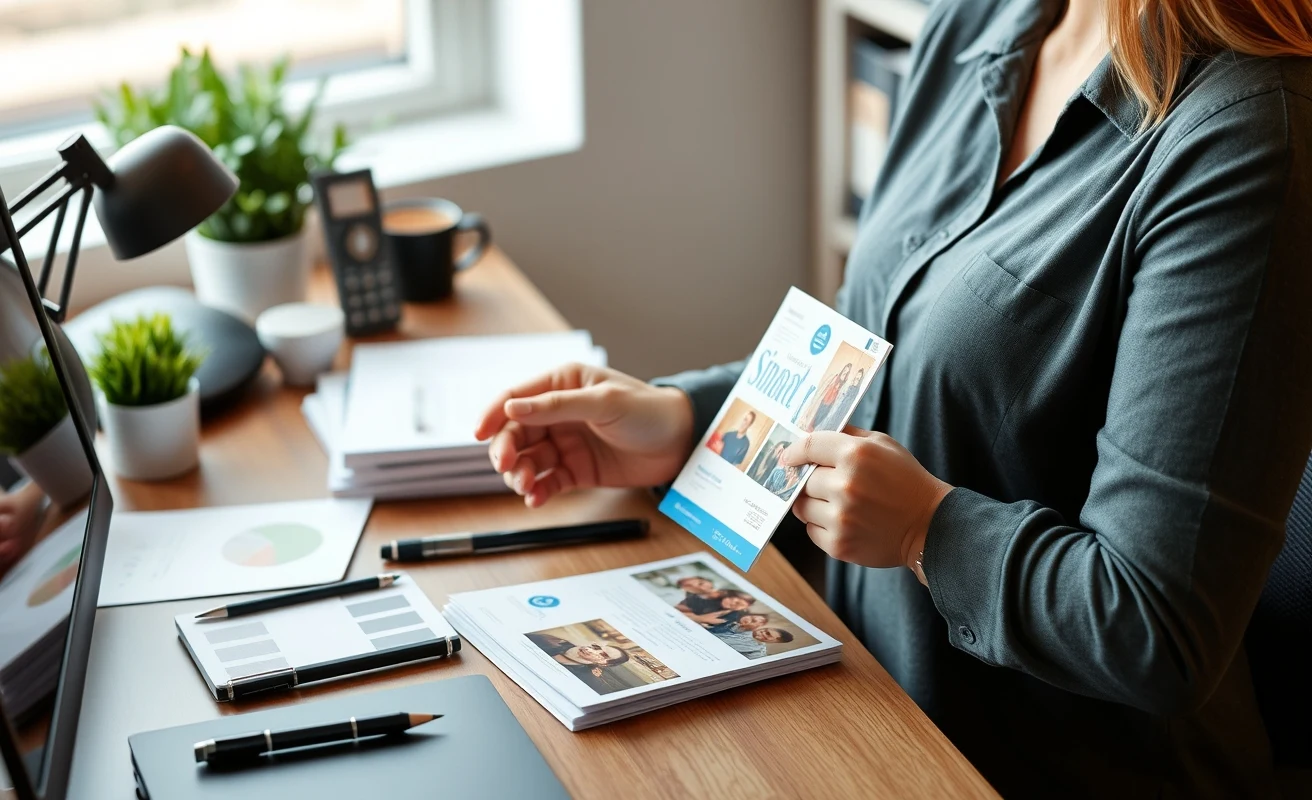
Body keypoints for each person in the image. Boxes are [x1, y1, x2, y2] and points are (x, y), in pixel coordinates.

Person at [476, 0, 1312, 794]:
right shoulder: (983, 22)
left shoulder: (1246, 134)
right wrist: (691, 423)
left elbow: (1156, 631)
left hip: (1028, 766)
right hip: (855, 684)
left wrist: (926, 530)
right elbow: (881, 337)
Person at [802, 363, 851, 433]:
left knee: (820, 421)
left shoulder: (843, 385)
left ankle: (811, 432)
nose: (844, 373)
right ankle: (807, 430)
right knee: (813, 418)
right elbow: (824, 387)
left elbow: (839, 398)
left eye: (846, 372)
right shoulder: (835, 378)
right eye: (844, 370)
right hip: (823, 401)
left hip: (829, 406)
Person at [816, 367, 865, 432]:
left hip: (844, 407)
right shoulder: (849, 383)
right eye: (857, 375)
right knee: (829, 416)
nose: (856, 378)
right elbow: (842, 393)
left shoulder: (857, 390)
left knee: (835, 420)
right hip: (838, 403)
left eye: (859, 377)